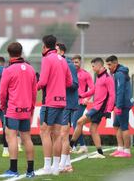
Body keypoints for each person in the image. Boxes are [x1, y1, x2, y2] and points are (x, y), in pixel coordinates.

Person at [0, 42, 37, 178]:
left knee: (11, 137)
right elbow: (34, 91)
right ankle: (30, 171)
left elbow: (2, 92)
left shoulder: (8, 70)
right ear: (21, 52)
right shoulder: (31, 69)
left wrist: (3, 106)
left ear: (9, 53)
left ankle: (13, 170)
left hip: (13, 109)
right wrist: (31, 108)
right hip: (26, 109)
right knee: (27, 138)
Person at [35, 35, 72, 176]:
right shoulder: (62, 60)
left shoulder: (46, 59)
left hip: (50, 101)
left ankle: (46, 167)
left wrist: (34, 87)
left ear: (45, 46)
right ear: (55, 44)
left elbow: (43, 81)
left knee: (44, 132)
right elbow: (69, 82)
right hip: (62, 101)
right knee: (57, 135)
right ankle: (56, 168)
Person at [70, 58, 115, 159]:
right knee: (93, 129)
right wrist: (82, 95)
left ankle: (70, 145)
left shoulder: (107, 78)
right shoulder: (100, 76)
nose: (92, 68)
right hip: (97, 107)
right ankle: (100, 152)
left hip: (99, 108)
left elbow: (112, 95)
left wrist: (108, 110)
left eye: (93, 66)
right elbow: (94, 89)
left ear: (99, 66)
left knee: (79, 122)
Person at [56, 43, 79, 173]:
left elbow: (74, 84)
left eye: (56, 50)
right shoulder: (56, 64)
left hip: (67, 103)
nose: (54, 52)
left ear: (62, 52)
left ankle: (62, 164)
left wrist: (60, 83)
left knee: (63, 134)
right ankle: (67, 164)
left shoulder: (69, 65)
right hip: (58, 102)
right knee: (60, 134)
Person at [106, 55, 134, 158]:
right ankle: (120, 149)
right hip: (120, 103)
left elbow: (120, 90)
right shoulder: (119, 73)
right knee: (116, 126)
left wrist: (118, 106)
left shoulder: (119, 74)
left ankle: (127, 151)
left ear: (115, 64)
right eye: (107, 65)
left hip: (123, 105)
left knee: (124, 127)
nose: (108, 67)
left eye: (109, 64)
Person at [71, 55, 94, 154]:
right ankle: (75, 146)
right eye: (73, 62)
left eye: (77, 62)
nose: (75, 64)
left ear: (80, 63)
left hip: (81, 102)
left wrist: (87, 98)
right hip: (71, 102)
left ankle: (82, 145)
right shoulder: (69, 74)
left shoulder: (85, 74)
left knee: (76, 123)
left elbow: (93, 89)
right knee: (74, 124)